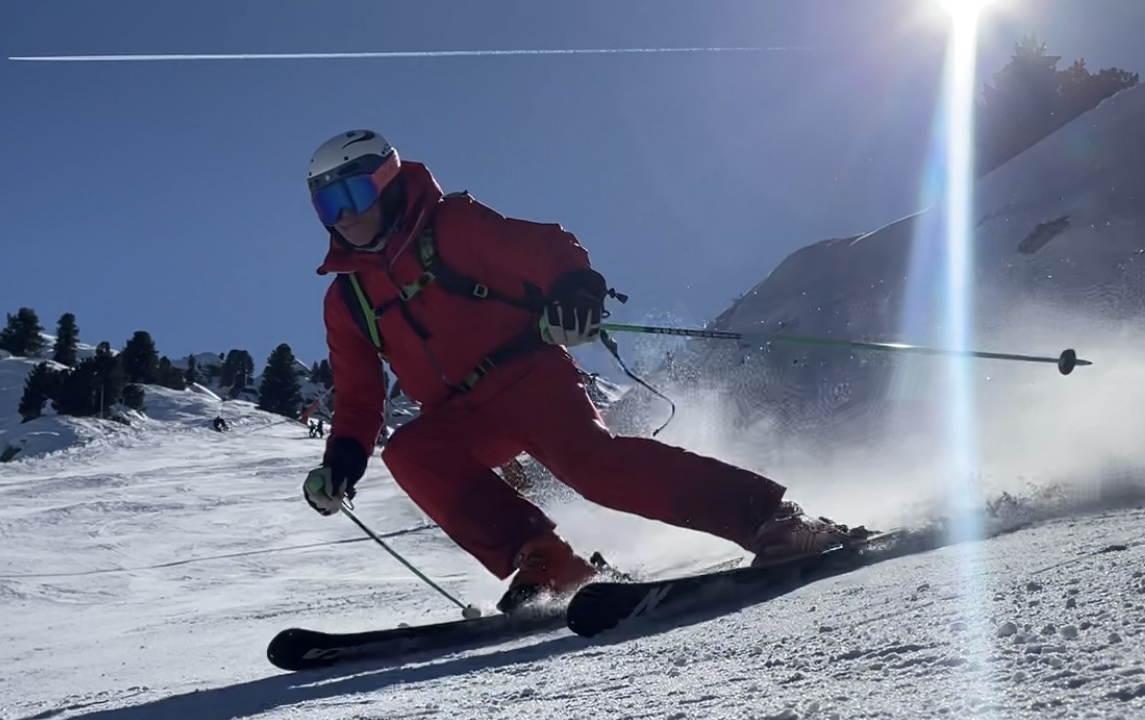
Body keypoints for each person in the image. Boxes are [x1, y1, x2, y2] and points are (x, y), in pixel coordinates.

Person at [299, 129, 857, 613]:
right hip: (460, 415)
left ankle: (769, 516)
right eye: (329, 207)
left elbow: (544, 248)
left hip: (527, 376)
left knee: (589, 467)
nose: (345, 216)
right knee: (410, 452)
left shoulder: (451, 227)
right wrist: (343, 460)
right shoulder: (347, 299)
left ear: (390, 179)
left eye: (354, 193)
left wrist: (572, 288)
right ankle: (545, 561)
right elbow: (358, 396)